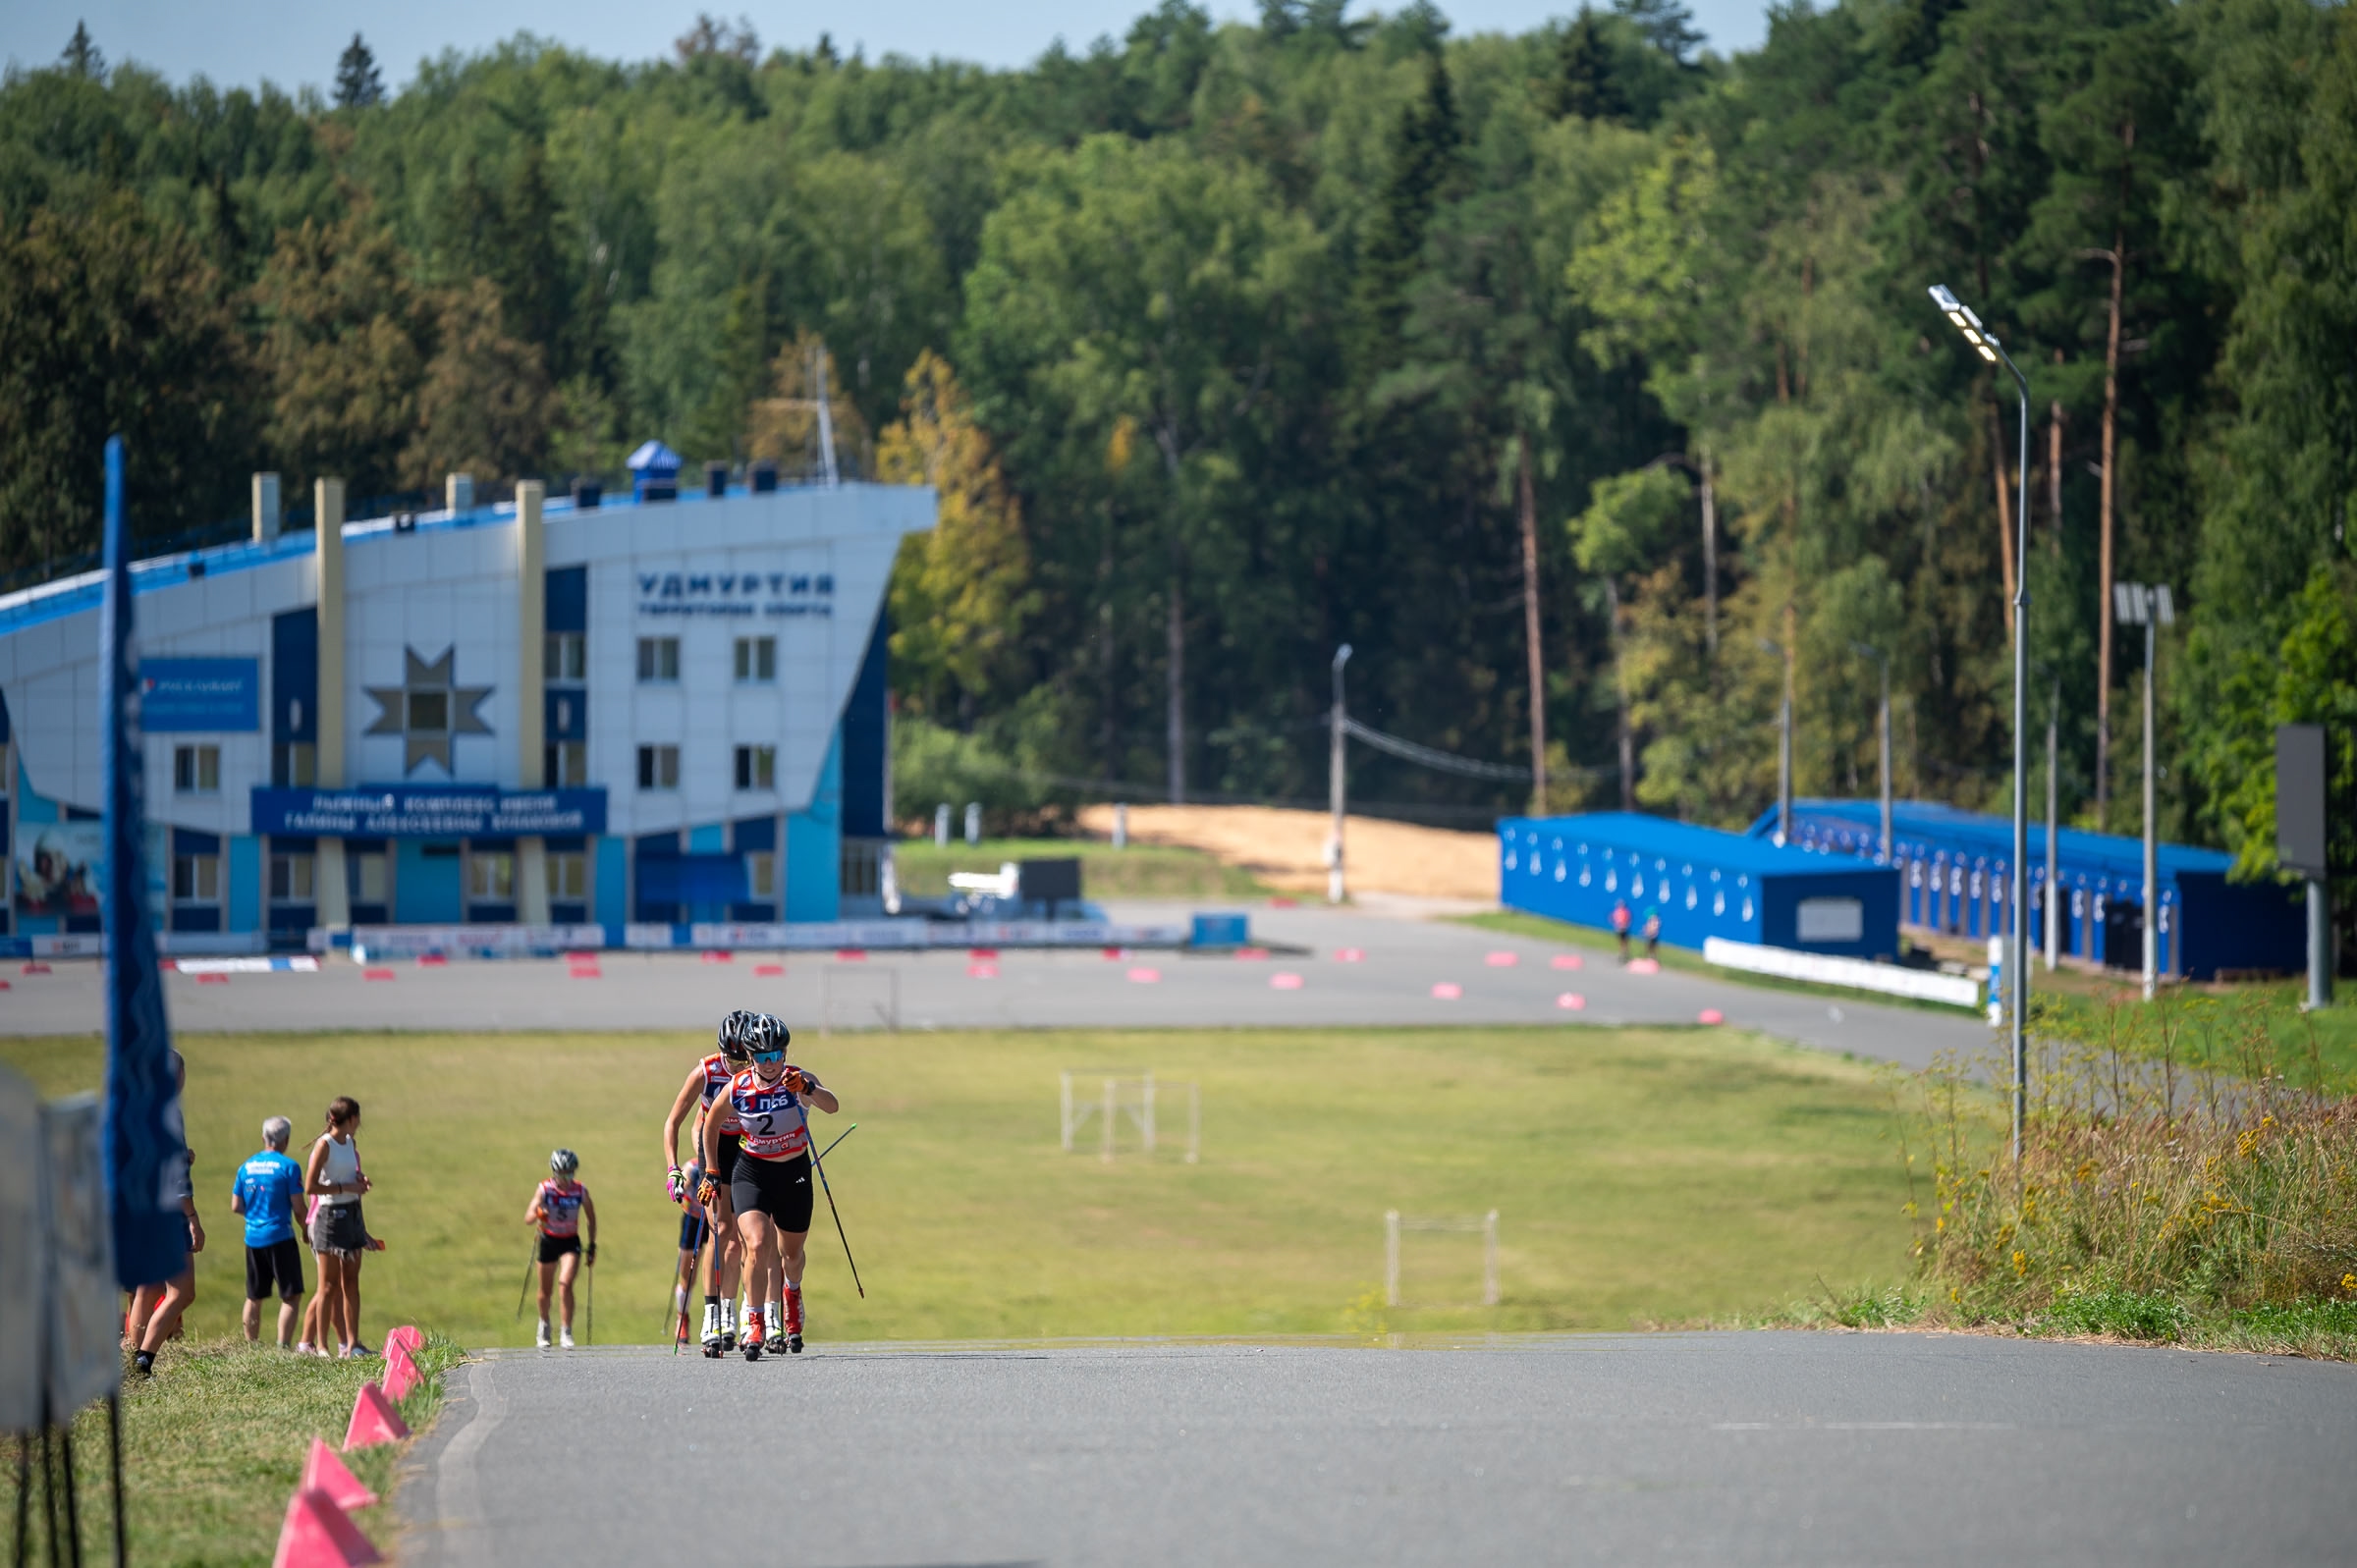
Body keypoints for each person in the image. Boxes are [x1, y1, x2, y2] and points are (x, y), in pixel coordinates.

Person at [698, 1013, 838, 1359]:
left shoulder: (796, 1079)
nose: (772, 1063)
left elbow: (833, 1106)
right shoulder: (739, 1086)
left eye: (778, 1055)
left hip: (793, 1173)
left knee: (791, 1254)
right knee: (758, 1244)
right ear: (751, 1056)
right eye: (763, 1057)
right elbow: (709, 1125)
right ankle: (755, 1322)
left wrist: (808, 1090)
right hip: (752, 1171)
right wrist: (712, 1170)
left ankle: (792, 1292)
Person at [661, 1010, 752, 1355]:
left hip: (746, 1143)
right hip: (712, 1144)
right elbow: (673, 1122)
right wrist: (673, 1168)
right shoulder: (707, 1071)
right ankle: (712, 1316)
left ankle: (741, 1313)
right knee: (721, 1229)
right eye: (733, 1058)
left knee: (749, 1236)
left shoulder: (760, 1067)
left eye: (744, 1058)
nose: (738, 1065)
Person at [128, 1051, 203, 1376]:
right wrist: (192, 1217)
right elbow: (175, 1176)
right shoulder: (170, 1113)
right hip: (170, 1211)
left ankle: (132, 1353)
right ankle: (143, 1360)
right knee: (182, 1292)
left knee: (150, 1288)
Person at [302, 1097, 373, 1358]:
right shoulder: (325, 1145)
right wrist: (345, 1188)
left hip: (353, 1213)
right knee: (328, 1286)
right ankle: (322, 1345)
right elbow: (311, 1186)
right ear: (352, 1119)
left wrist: (360, 1181)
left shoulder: (350, 1143)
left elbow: (349, 1172)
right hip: (330, 1217)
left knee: (351, 1282)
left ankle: (352, 1343)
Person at [231, 1116, 307, 1348]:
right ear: (286, 1140)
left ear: (264, 1138)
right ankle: (283, 1346)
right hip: (280, 1236)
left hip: (253, 1237)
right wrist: (306, 1229)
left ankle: (251, 1346)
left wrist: (255, 1215)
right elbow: (299, 1207)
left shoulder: (246, 1166)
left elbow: (236, 1205)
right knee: (291, 1296)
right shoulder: (288, 1167)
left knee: (254, 1296)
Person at [526, 1149, 597, 1349]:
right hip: (549, 1240)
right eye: (561, 1174)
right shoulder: (545, 1189)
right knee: (545, 1291)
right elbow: (528, 1217)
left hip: (569, 1241)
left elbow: (591, 1218)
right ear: (554, 1172)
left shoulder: (580, 1190)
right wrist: (540, 1213)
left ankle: (566, 1331)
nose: (565, 1179)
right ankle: (544, 1325)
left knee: (565, 1284)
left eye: (569, 1173)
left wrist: (591, 1245)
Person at [1611, 897, 1633, 963]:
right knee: (1622, 942)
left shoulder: (1625, 911)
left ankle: (1624, 954)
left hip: (1624, 929)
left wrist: (1624, 925)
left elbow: (1628, 920)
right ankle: (1622, 954)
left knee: (1624, 942)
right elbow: (1613, 919)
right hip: (1620, 929)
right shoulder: (1617, 911)